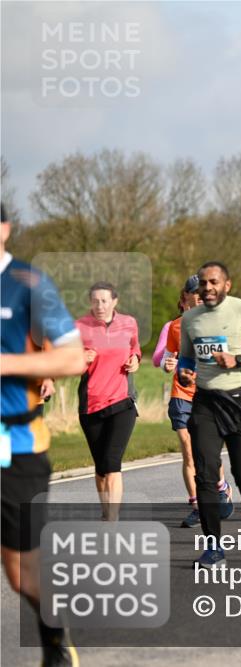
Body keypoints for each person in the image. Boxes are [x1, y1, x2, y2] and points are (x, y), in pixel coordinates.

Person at [1, 203, 87, 666]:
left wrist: (6, 365)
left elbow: (72, 358)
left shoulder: (29, 285)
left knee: (22, 575)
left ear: (4, 229)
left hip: (16, 446)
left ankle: (54, 638)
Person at [178, 262, 241, 567]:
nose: (207, 288)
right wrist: (186, 373)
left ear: (227, 285)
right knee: (206, 476)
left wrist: (238, 359)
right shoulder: (190, 318)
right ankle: (213, 547)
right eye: (203, 284)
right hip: (206, 402)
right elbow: (187, 356)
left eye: (214, 282)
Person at [156, 276, 233, 528]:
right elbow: (167, 360)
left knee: (207, 449)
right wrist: (168, 365)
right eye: (193, 298)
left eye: (201, 297)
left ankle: (221, 487)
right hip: (182, 394)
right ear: (184, 300)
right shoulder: (175, 327)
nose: (197, 301)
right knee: (188, 450)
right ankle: (197, 505)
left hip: (209, 393)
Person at [75, 282, 141, 522]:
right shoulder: (79, 327)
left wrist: (135, 359)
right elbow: (69, 363)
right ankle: (107, 512)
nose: (99, 305)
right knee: (101, 467)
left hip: (122, 402)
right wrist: (80, 358)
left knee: (112, 464)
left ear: (115, 301)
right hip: (91, 404)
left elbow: (134, 350)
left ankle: (112, 519)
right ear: (89, 302)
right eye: (95, 301)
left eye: (104, 300)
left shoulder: (129, 323)